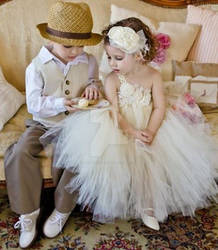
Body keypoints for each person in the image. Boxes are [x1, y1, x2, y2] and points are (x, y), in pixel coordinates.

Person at [41, 17, 218, 232]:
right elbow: (113, 111)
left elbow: (159, 108)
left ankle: (149, 207)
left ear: (138, 54)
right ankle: (114, 200)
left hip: (150, 124)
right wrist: (132, 131)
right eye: (109, 57)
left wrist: (150, 131)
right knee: (123, 157)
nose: (112, 63)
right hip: (121, 126)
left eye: (118, 57)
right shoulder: (112, 80)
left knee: (152, 159)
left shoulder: (153, 76)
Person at [4, 1, 102, 248]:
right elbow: (34, 104)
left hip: (73, 125)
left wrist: (92, 87)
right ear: (51, 39)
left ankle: (62, 209)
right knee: (20, 152)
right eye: (69, 45)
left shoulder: (88, 61)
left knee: (75, 155)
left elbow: (95, 81)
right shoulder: (36, 67)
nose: (75, 51)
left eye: (80, 45)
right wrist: (61, 103)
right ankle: (29, 213)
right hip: (43, 122)